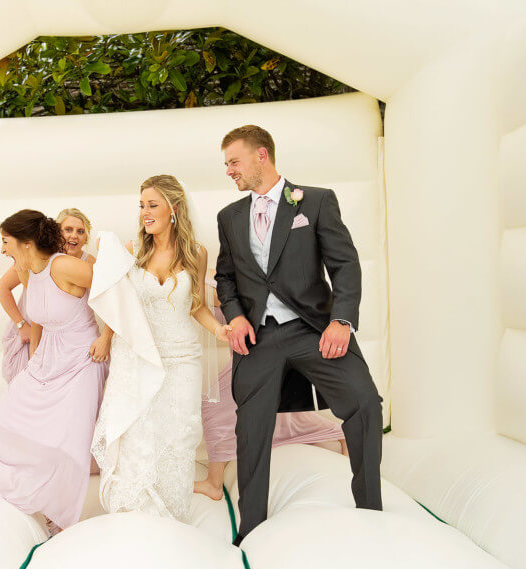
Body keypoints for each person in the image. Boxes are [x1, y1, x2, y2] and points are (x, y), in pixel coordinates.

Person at [215, 125, 383, 545]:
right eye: (226, 165)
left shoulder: (317, 201)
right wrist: (234, 316)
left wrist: (341, 321)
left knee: (364, 403)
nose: (229, 171)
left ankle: (372, 509)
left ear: (262, 156)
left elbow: (345, 265)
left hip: (314, 328)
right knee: (251, 429)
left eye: (234, 162)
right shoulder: (229, 217)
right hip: (260, 339)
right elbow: (225, 278)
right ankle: (250, 529)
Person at [90, 175, 229, 523]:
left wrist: (222, 330)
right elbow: (116, 302)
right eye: (141, 206)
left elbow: (197, 307)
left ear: (174, 209)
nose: (144, 213)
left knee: (179, 437)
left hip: (183, 359)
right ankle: (133, 514)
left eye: (152, 205)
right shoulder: (131, 252)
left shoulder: (197, 253)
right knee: (139, 436)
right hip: (138, 358)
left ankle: (171, 516)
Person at [0, 210, 108, 534]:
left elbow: (113, 287)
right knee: (3, 421)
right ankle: (22, 492)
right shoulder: (27, 270)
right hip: (47, 358)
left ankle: (61, 518)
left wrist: (107, 336)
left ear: (26, 243)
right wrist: (34, 359)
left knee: (67, 441)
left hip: (81, 359)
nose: (3, 249)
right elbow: (38, 319)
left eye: (6, 242)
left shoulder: (62, 265)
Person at [193, 275, 347, 501]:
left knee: (215, 409)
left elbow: (212, 296)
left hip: (258, 359)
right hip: (250, 359)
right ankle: (344, 435)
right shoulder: (221, 278)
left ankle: (214, 484)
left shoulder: (235, 285)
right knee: (285, 418)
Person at [0, 208, 96, 383]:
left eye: (80, 231)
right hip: (34, 327)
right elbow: (2, 288)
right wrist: (21, 324)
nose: (74, 236)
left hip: (70, 341)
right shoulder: (34, 259)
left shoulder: (88, 263)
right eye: (68, 230)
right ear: (57, 232)